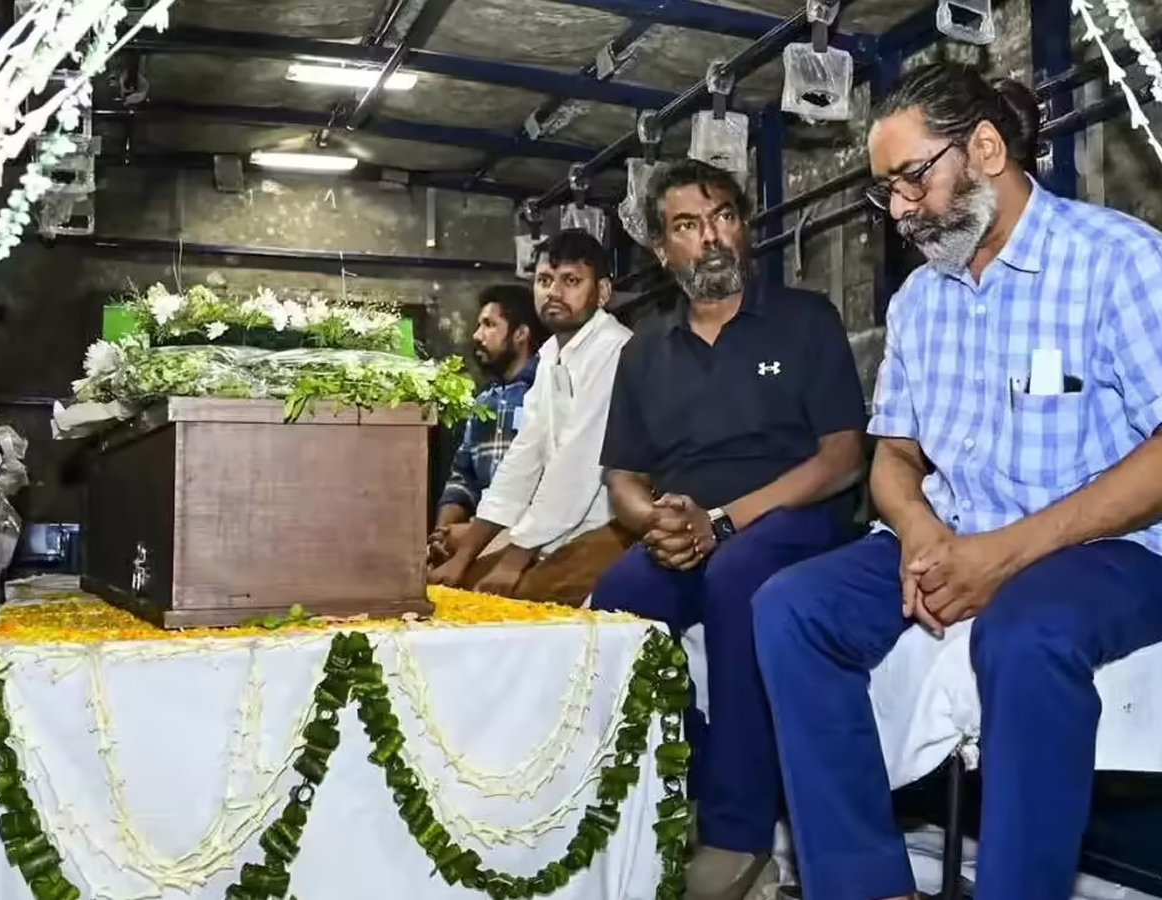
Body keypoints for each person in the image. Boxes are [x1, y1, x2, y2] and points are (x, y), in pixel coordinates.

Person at [751, 62, 1162, 900]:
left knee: (1026, 633)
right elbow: (894, 456)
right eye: (886, 191)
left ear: (985, 149)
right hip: (956, 528)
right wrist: (919, 530)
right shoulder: (918, 302)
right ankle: (865, 884)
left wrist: (1004, 555)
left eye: (913, 178)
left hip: (1108, 543)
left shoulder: (1117, 261)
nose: (900, 210)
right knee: (790, 607)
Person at [588, 158, 868, 900]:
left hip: (793, 517)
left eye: (723, 218)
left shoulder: (805, 319)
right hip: (691, 530)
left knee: (739, 577)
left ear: (743, 228)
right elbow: (623, 479)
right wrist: (657, 521)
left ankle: (740, 837)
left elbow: (843, 457)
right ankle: (675, 794)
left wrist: (721, 523)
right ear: (662, 249)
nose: (710, 238)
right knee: (618, 599)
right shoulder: (644, 349)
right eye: (687, 225)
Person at [428, 229, 634, 605]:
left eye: (571, 281)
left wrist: (514, 560)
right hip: (557, 528)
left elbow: (576, 468)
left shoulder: (614, 349)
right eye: (544, 280)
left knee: (512, 600)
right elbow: (522, 459)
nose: (554, 292)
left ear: (603, 292)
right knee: (459, 586)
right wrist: (463, 557)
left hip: (612, 526)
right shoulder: (551, 355)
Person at [429, 284, 547, 566]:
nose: (476, 335)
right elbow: (463, 478)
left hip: (531, 545)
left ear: (520, 334)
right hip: (477, 541)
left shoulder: (547, 392)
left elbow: (549, 488)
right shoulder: (485, 402)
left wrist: (472, 536)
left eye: (489, 325)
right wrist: (443, 533)